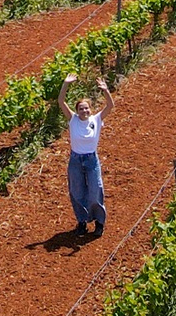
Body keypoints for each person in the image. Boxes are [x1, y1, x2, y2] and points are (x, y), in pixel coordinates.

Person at [61, 73, 112, 236]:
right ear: (77, 111)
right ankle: (82, 222)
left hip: (91, 160)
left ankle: (99, 223)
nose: (84, 110)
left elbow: (110, 106)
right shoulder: (73, 119)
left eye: (86, 108)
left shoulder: (96, 120)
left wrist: (105, 90)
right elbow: (60, 101)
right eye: (81, 108)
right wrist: (65, 84)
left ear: (90, 110)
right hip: (75, 160)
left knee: (95, 190)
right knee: (77, 191)